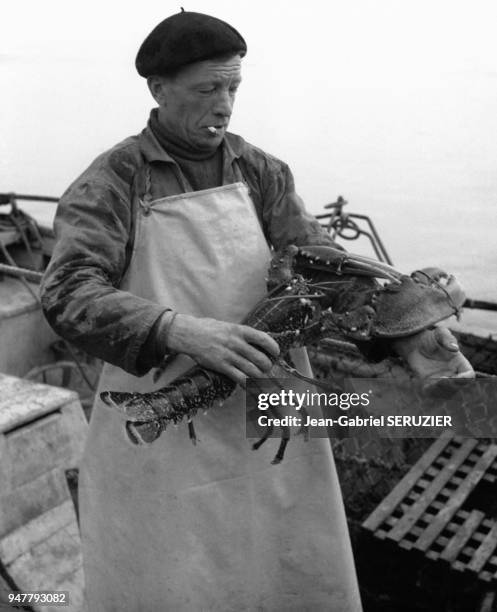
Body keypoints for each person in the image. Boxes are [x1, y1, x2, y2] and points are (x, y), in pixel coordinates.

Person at [40, 10, 474, 612]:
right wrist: (177, 328)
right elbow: (67, 292)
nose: (225, 106)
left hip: (275, 403)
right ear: (158, 90)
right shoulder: (112, 182)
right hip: (158, 417)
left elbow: (322, 266)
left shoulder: (261, 170)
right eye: (207, 90)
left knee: (285, 567)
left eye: (234, 88)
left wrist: (412, 327)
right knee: (172, 583)